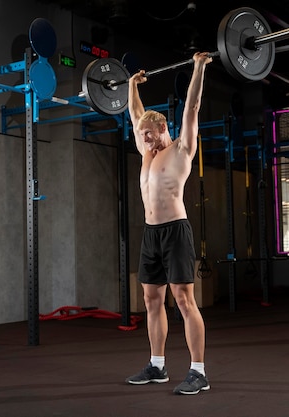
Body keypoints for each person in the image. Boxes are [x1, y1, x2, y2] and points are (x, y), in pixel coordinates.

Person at [125, 52, 213, 395]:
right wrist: (132, 85)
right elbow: (134, 113)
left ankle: (198, 371)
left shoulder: (181, 149)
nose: (143, 138)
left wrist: (198, 68)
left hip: (176, 230)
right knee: (150, 300)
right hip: (151, 234)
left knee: (184, 300)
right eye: (141, 134)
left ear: (162, 128)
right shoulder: (146, 150)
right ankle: (157, 366)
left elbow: (192, 108)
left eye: (148, 133)